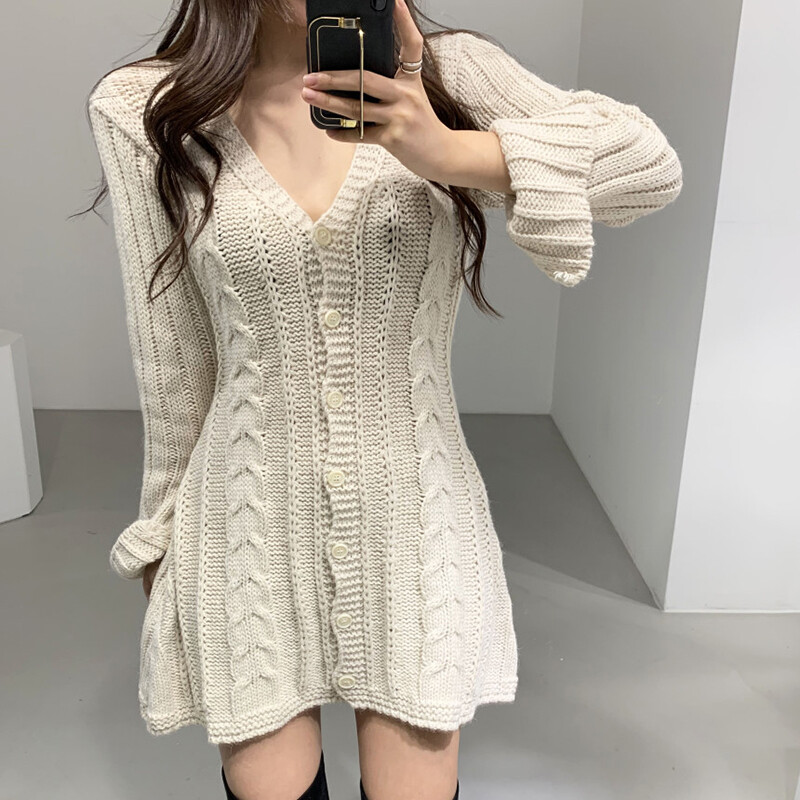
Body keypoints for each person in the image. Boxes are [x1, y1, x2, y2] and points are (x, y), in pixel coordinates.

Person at [83, 0, 683, 798]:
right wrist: (161, 540)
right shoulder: (146, 107)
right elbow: (174, 362)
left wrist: (448, 150)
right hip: (247, 524)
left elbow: (650, 167)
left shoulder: (443, 70)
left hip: (414, 521)